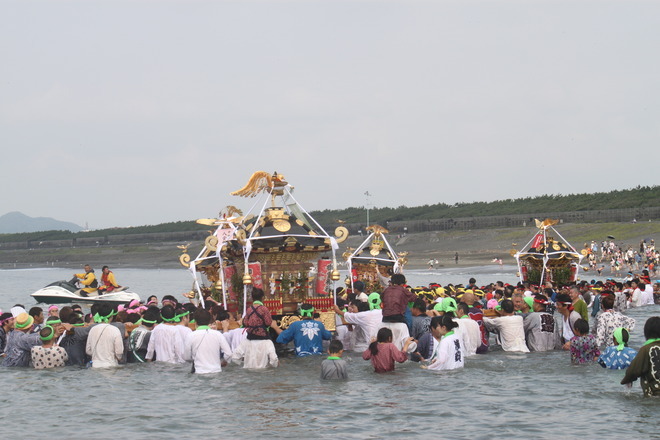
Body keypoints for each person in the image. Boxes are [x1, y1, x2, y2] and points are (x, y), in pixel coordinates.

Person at [232, 288, 280, 369]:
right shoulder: (264, 309)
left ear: (252, 297)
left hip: (250, 337)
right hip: (263, 337)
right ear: (262, 297)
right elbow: (268, 322)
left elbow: (234, 358)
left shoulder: (249, 309)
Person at [183, 309, 232, 374]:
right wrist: (224, 362)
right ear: (209, 320)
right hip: (216, 372)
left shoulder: (191, 335)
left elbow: (186, 357)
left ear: (195, 321)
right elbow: (229, 354)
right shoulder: (218, 334)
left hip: (199, 372)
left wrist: (196, 360)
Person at [621, 316, 660, 396]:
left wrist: (627, 379)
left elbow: (633, 371)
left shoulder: (646, 349)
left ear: (646, 333)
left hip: (653, 395)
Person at [380, 274, 416, 350]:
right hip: (398, 317)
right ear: (402, 283)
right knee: (409, 326)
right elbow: (414, 297)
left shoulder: (386, 290)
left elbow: (381, 297)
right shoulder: (403, 290)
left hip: (385, 317)